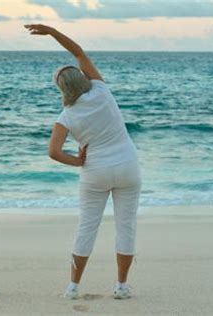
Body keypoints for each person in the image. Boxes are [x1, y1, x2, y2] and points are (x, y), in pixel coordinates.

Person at [25, 24, 141, 300]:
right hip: (127, 166)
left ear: (61, 89)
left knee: (87, 227)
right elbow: (77, 51)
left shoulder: (66, 116)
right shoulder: (101, 91)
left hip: (95, 172)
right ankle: (121, 286)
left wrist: (77, 161)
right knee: (126, 226)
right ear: (82, 78)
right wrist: (52, 32)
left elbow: (53, 152)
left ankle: (73, 287)